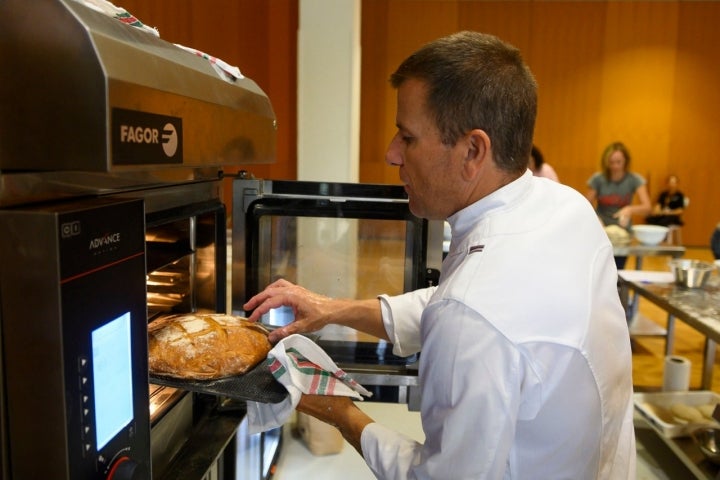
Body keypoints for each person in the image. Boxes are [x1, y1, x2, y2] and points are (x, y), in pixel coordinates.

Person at [244, 31, 636, 479]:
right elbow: (459, 305)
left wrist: (338, 410)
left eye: (407, 137)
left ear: (473, 150)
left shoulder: (473, 311)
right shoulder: (566, 208)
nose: (392, 153)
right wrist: (333, 310)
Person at [585, 141, 652, 269]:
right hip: (601, 232)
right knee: (600, 269)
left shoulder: (634, 180)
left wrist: (630, 209)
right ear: (606, 162)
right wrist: (596, 219)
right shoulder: (598, 179)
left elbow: (647, 207)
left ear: (626, 161)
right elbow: (586, 205)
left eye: (618, 162)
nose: (615, 166)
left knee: (618, 270)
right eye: (611, 162)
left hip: (623, 235)